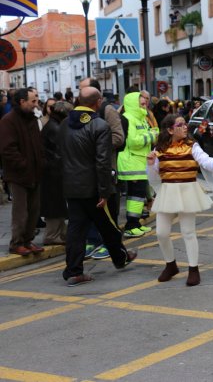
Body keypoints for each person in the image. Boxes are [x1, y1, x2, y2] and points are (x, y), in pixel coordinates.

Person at [57, 86, 137, 286]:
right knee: (108, 224)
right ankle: (120, 257)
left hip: (71, 185)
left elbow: (61, 154)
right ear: (98, 102)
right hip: (93, 187)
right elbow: (102, 161)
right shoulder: (100, 125)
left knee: (77, 228)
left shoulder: (65, 123)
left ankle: (75, 270)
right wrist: (104, 191)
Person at [147, 115, 213, 286]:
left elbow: (204, 160)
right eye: (180, 125)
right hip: (168, 191)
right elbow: (153, 177)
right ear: (170, 130)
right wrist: (150, 164)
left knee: (188, 232)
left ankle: (193, 268)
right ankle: (171, 265)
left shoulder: (192, 146)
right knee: (161, 232)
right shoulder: (159, 148)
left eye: (185, 124)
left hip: (188, 190)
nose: (185, 127)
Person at [79, 78, 125, 259]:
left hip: (106, 167)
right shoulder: (81, 113)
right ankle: (93, 240)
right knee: (91, 206)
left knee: (109, 208)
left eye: (83, 89)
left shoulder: (108, 110)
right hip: (88, 169)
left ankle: (111, 243)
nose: (79, 93)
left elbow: (118, 137)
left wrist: (96, 146)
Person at [0, 88, 45, 256]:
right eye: (33, 101)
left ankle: (28, 240)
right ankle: (17, 243)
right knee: (20, 211)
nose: (36, 104)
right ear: (22, 102)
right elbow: (7, 149)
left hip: (35, 172)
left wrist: (41, 161)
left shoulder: (32, 119)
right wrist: (24, 164)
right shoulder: (8, 121)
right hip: (19, 174)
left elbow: (38, 144)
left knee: (34, 210)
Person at [117, 92, 158, 237]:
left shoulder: (140, 118)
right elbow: (133, 142)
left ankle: (135, 224)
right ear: (133, 103)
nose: (145, 105)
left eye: (145, 103)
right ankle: (130, 226)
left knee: (139, 195)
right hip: (131, 162)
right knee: (135, 195)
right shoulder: (128, 118)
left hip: (139, 161)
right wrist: (152, 135)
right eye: (141, 103)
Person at [40, 101, 72, 245]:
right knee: (54, 205)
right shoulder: (55, 128)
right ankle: (52, 235)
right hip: (53, 173)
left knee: (58, 204)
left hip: (52, 172)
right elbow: (60, 152)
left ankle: (60, 233)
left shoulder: (54, 125)